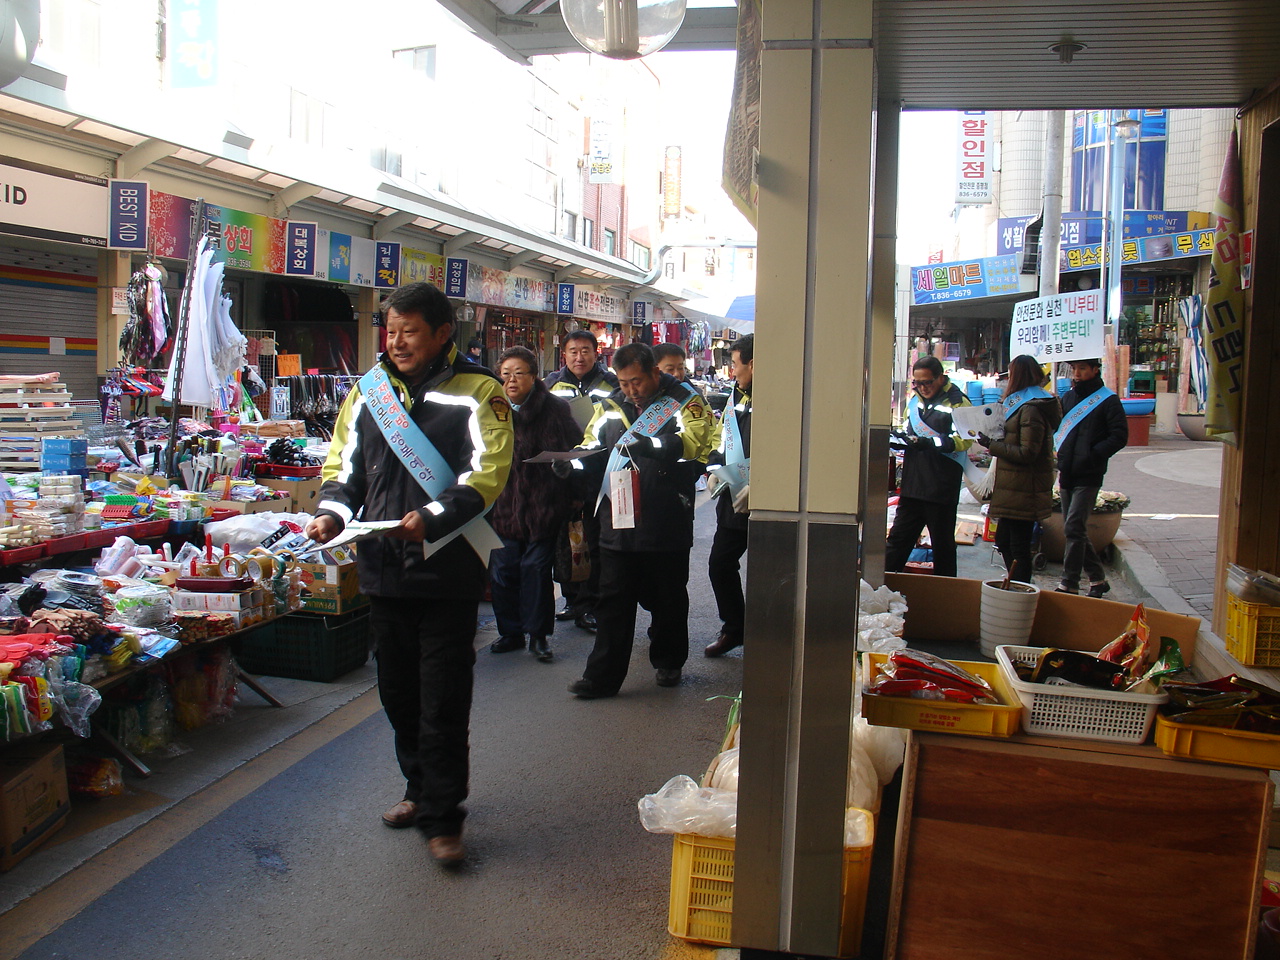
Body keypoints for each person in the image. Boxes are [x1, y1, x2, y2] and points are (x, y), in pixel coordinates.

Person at [304, 281, 513, 866]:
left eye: (409, 332)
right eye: (390, 332)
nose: (396, 342)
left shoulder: (479, 392)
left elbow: (488, 472)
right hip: (382, 571)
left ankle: (445, 818)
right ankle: (418, 790)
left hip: (447, 573)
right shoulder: (368, 393)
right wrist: (330, 513)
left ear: (442, 333)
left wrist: (435, 517)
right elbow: (343, 467)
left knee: (442, 697)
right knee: (397, 693)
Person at [554, 342, 712, 698]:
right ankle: (601, 678)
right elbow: (592, 445)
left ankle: (669, 660)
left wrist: (651, 446)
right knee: (613, 598)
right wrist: (572, 462)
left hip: (665, 514)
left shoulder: (686, 400)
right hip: (618, 516)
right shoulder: (610, 403)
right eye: (624, 382)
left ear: (655, 372)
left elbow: (696, 443)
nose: (631, 390)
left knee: (667, 595)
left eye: (637, 382)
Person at [487, 346, 582, 662]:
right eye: (505, 374)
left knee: (536, 570)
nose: (511, 380)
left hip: (544, 505)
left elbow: (575, 447)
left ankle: (539, 636)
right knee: (502, 570)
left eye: (519, 373)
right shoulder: (491, 408)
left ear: (533, 376)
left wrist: (566, 468)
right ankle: (510, 632)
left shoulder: (555, 409)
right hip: (503, 505)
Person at [544, 330, 619, 631]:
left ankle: (592, 602)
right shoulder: (551, 385)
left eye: (585, 350)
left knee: (594, 539)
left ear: (595, 352)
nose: (579, 357)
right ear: (564, 353)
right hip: (563, 473)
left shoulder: (611, 385)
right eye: (573, 351)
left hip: (599, 471)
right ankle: (572, 600)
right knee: (566, 539)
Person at [976, 355, 1062, 584]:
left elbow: (1027, 452)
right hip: (1013, 487)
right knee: (1004, 542)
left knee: (1018, 547)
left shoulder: (1032, 408)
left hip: (1025, 488)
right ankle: (1015, 584)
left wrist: (991, 445)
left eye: (1011, 373)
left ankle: (1021, 590)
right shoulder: (1021, 404)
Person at [885, 357, 973, 577]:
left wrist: (932, 443)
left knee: (942, 546)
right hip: (913, 485)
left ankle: (946, 594)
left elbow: (966, 439)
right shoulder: (914, 402)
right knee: (897, 542)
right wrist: (901, 437)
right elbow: (908, 429)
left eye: (928, 382)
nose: (923, 388)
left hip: (941, 487)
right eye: (917, 383)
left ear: (941, 378)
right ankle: (882, 588)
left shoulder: (958, 402)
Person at [1054, 357, 1128, 596]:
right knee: (1073, 528)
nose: (1077, 373)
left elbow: (1119, 436)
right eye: (1074, 368)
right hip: (1067, 471)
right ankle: (1097, 579)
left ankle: (1069, 582)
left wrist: (1094, 454)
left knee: (1074, 526)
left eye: (1082, 368)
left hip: (1090, 473)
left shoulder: (1108, 400)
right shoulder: (1068, 397)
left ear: (1095, 370)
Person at [704, 333, 753, 657]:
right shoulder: (738, 394)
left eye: (735, 364)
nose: (732, 372)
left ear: (754, 363)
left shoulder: (784, 396)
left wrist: (766, 482)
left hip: (769, 500)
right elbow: (723, 436)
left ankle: (772, 635)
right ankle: (735, 628)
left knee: (772, 572)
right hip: (734, 497)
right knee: (720, 564)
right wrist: (712, 466)